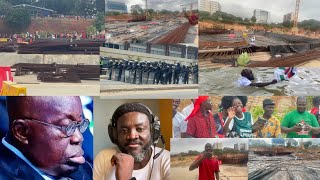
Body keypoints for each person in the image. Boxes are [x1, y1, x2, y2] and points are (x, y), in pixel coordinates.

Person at [0, 97, 92, 179]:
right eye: (67, 127)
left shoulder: (87, 170)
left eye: (79, 124)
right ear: (22, 132)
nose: (78, 137)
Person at [93, 103, 170, 180]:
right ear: (115, 134)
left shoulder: (168, 160)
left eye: (140, 129)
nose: (132, 136)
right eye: (124, 130)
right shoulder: (103, 158)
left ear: (153, 131)